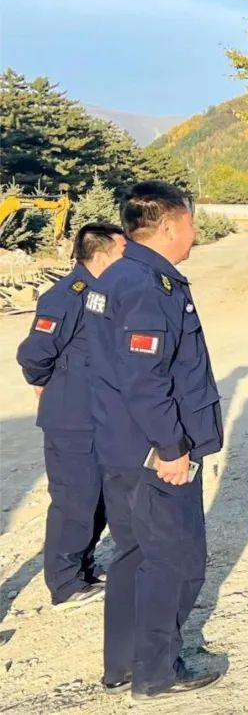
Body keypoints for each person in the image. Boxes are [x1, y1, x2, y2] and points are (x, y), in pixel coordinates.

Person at [85, 181, 223, 700]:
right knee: (176, 560)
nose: (194, 231)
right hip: (153, 454)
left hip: (121, 446)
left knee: (135, 554)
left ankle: (123, 664)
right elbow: (146, 378)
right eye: (189, 222)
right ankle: (157, 672)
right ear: (167, 226)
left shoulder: (118, 276)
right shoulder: (149, 285)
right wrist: (170, 447)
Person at [15, 222, 126, 610]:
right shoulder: (67, 295)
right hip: (72, 418)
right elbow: (34, 353)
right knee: (74, 499)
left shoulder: (104, 293)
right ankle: (64, 583)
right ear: (102, 256)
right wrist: (47, 384)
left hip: (100, 415)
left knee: (99, 498)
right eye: (123, 252)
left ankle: (83, 567)